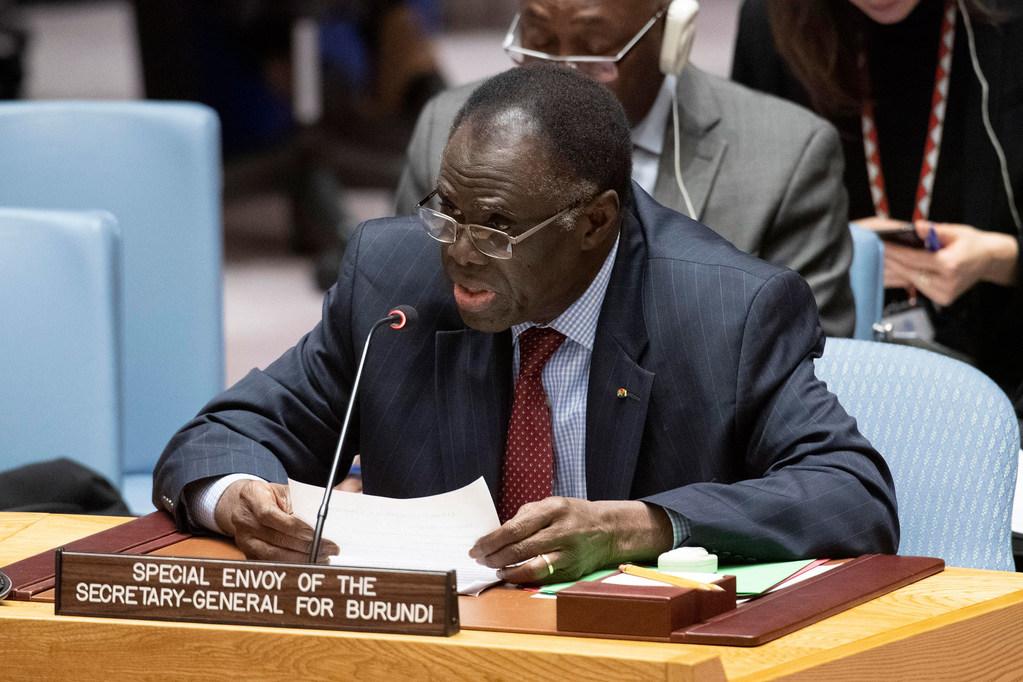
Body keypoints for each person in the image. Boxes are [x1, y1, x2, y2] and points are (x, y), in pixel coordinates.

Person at [153, 64, 898, 583]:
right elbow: (218, 437)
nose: (459, 252)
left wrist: (645, 526)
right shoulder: (394, 280)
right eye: (446, 211)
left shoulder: (724, 312)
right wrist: (235, 493)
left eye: (497, 228)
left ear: (594, 221)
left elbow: (851, 493)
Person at [395, 0, 858, 338]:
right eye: (538, 43)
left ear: (673, 35)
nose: (563, 76)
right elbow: (408, 317)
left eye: (596, 51)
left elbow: (811, 361)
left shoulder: (786, 156)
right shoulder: (451, 128)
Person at [732, 0, 1023, 397]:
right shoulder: (772, 24)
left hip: (1005, 377)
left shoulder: (1008, 25)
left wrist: (1002, 259)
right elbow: (737, 256)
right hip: (821, 385)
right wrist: (823, 248)